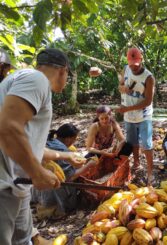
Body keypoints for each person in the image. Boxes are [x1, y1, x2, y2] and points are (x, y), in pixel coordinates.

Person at [0, 48, 70, 245]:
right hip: (4, 184)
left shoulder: (22, 79)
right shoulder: (36, 79)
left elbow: (28, 142)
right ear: (63, 71)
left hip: (16, 183)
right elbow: (8, 128)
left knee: (24, 239)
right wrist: (37, 172)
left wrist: (64, 157)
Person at [32, 123, 99, 218]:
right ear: (68, 139)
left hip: (37, 188)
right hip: (52, 192)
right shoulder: (63, 150)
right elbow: (70, 177)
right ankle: (58, 209)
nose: (74, 142)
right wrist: (89, 165)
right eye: (74, 139)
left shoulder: (48, 141)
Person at [116, 47, 155, 185]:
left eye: (136, 65)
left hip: (143, 115)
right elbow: (120, 84)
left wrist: (128, 108)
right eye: (131, 64)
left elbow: (148, 101)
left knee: (146, 144)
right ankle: (136, 163)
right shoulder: (126, 69)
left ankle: (150, 173)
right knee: (132, 141)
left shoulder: (148, 78)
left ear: (141, 61)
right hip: (129, 115)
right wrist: (123, 88)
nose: (133, 68)